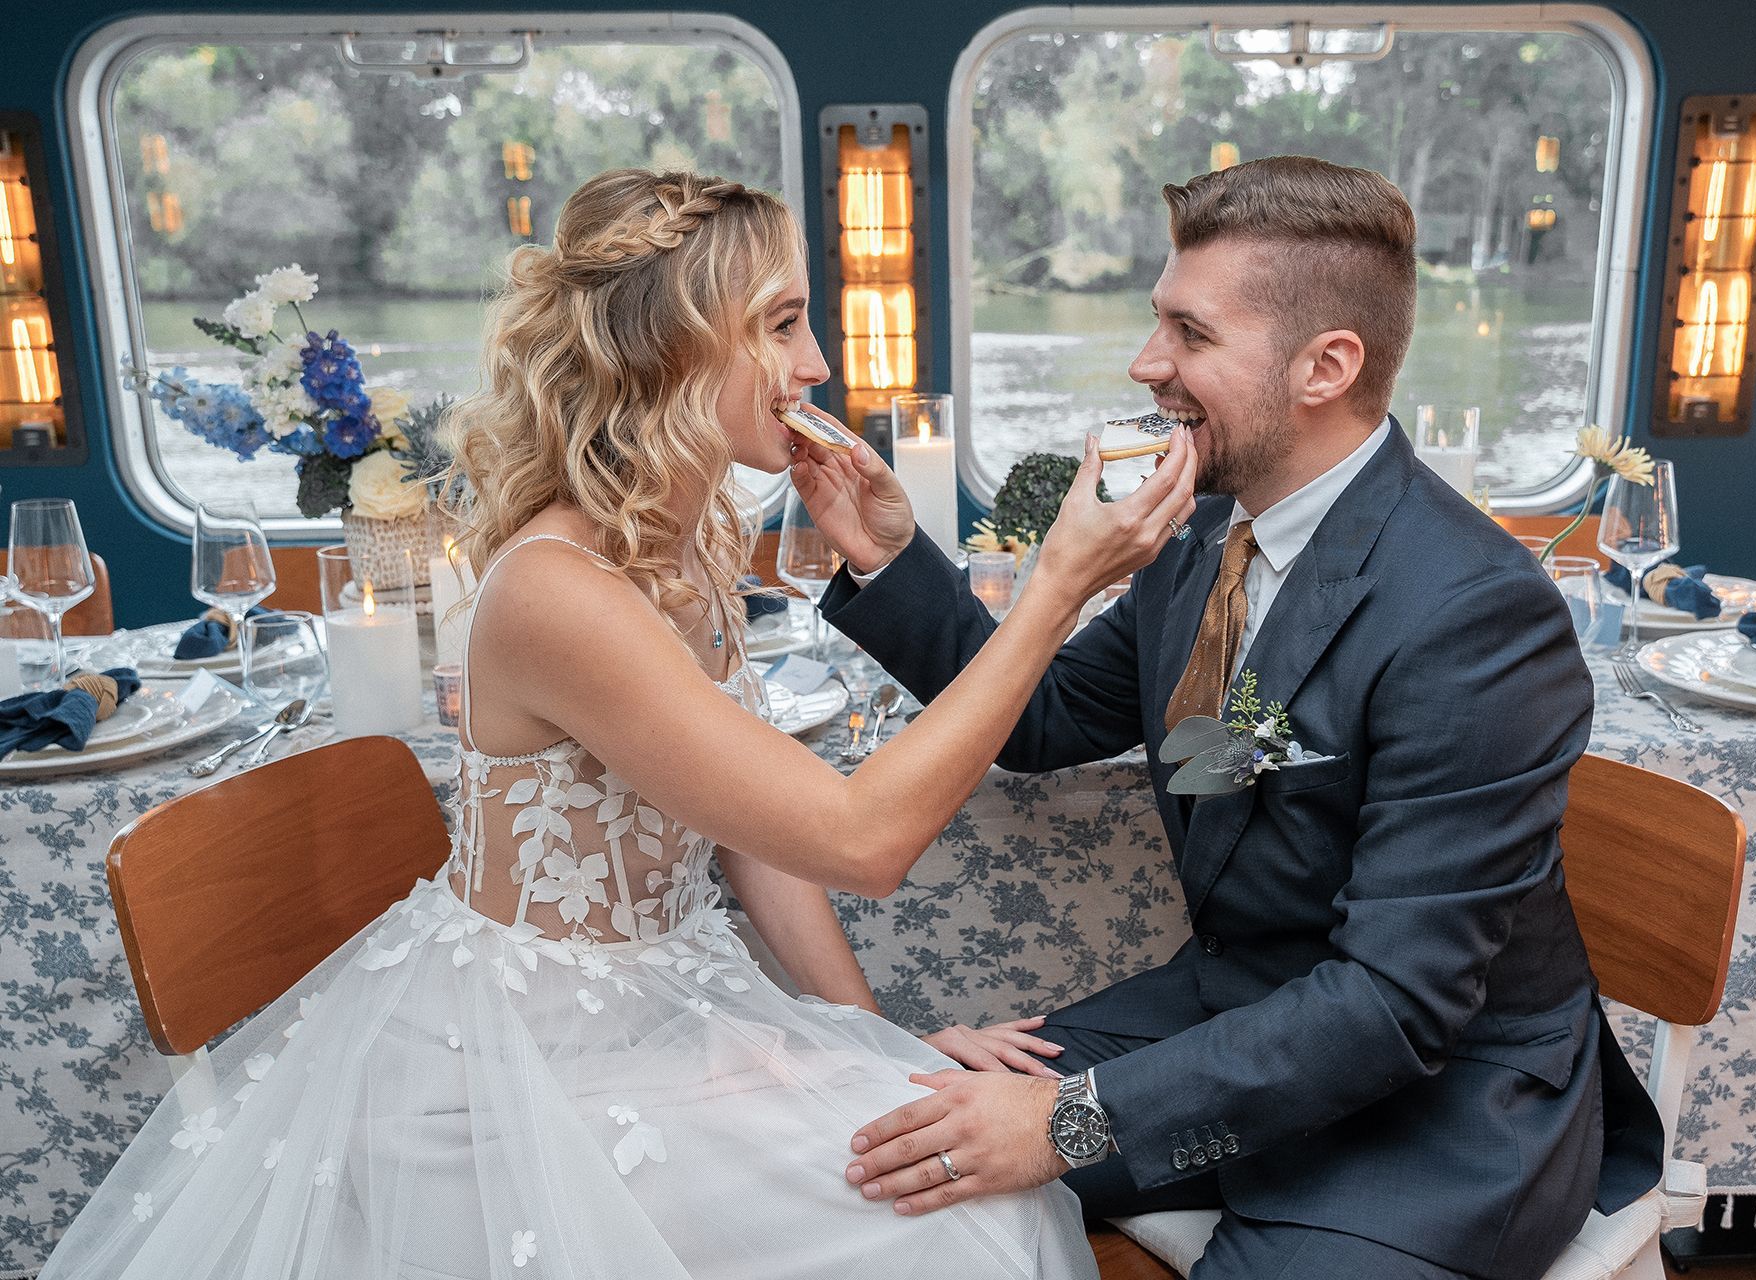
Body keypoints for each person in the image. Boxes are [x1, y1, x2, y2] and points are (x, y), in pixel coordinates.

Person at [38, 168, 1196, 1280]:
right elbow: (859, 841)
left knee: (983, 1184)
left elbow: (754, 833)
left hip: (668, 1004)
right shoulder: (556, 592)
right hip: (518, 1069)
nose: (818, 363)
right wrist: (1054, 589)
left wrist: (869, 1047)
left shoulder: (688, 539)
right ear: (671, 343)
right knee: (967, 1223)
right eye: (783, 324)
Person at [796, 155, 1664, 1280]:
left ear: (1327, 365)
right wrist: (887, 554)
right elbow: (1045, 716)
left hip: (1436, 1106)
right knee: (882, 1154)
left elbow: (1395, 1004)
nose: (1146, 364)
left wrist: (1064, 1119)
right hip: (1228, 1017)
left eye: (1189, 334)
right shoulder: (1205, 534)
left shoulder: (1476, 615)